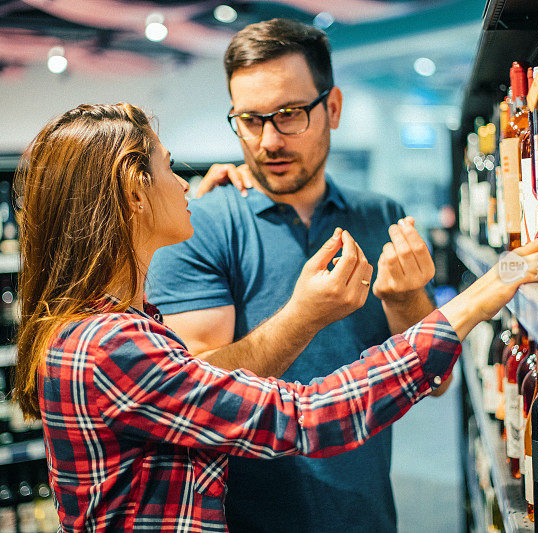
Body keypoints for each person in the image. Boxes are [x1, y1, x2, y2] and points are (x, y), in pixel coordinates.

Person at [13, 102, 538, 532]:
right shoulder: (109, 347)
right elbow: (309, 415)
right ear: (133, 190)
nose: (186, 184)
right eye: (167, 168)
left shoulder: (102, 330)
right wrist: (482, 294)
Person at [145, 18, 448, 532]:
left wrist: (406, 303)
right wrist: (303, 317)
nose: (267, 141)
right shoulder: (199, 226)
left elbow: (434, 383)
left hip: (368, 513)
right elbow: (193, 400)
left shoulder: (381, 215)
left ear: (331, 108)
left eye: (288, 115)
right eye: (248, 119)